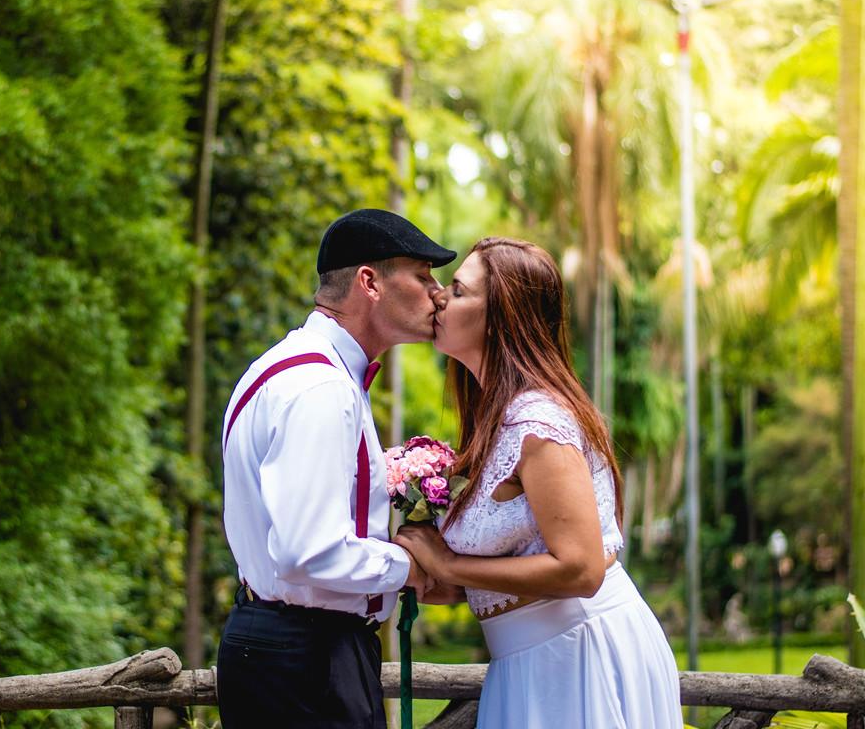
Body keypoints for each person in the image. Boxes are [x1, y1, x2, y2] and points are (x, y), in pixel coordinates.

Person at [394, 237, 683, 728]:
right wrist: (456, 587)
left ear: (501, 317)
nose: (440, 295)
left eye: (459, 291)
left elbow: (581, 570)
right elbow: (529, 555)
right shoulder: (495, 419)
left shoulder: (536, 420)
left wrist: (449, 562)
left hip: (577, 660)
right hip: (529, 664)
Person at [217, 208, 456, 729]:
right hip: (309, 660)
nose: (438, 293)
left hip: (279, 646)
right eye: (422, 275)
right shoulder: (323, 388)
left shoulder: (285, 366)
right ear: (369, 282)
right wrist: (408, 567)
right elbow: (308, 553)